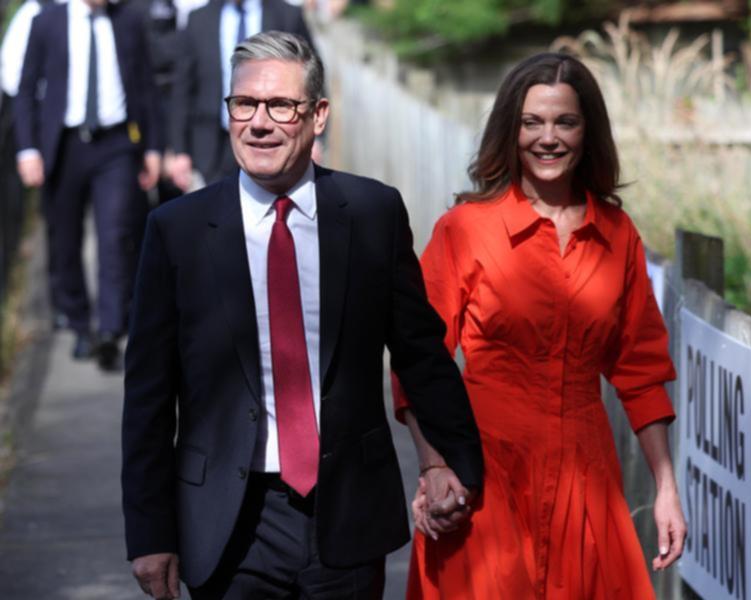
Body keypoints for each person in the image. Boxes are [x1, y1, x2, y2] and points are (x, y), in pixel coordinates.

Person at [121, 31, 483, 600]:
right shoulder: (178, 231)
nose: (258, 122)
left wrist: (456, 464)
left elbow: (419, 352)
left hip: (346, 515)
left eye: (280, 106)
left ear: (317, 116)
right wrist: (148, 533)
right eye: (244, 104)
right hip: (227, 521)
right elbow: (147, 395)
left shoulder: (371, 213)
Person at [393, 52, 687, 599]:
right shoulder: (464, 229)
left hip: (587, 483)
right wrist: (433, 466)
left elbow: (641, 374)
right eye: (532, 122)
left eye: (565, 122)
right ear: (511, 129)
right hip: (483, 476)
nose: (547, 138)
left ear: (587, 132)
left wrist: (666, 488)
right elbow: (418, 361)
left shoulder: (618, 235)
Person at [14, 0, 161, 368]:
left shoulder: (128, 20)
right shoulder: (48, 21)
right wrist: (28, 149)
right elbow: (27, 89)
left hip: (116, 145)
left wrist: (154, 147)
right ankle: (80, 324)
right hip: (64, 146)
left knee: (115, 234)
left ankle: (111, 328)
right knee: (65, 238)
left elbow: (145, 86)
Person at [166, 0, 314, 192]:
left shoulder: (287, 16)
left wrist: (313, 139)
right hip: (212, 148)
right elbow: (183, 88)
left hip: (271, 142)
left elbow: (310, 79)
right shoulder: (199, 19)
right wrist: (180, 150)